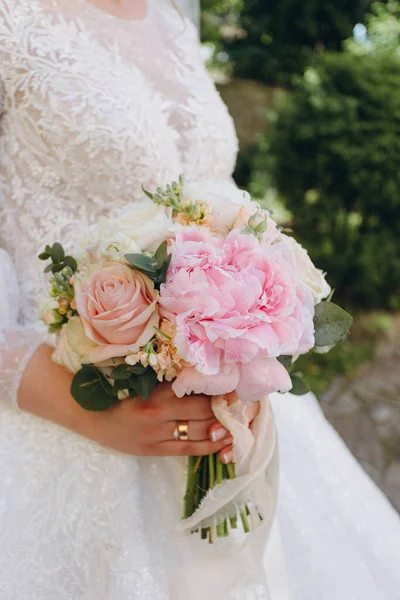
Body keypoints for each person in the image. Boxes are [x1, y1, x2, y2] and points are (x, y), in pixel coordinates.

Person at [0, 1, 399, 599]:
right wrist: (75, 402)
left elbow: (212, 196)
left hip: (226, 410)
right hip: (60, 411)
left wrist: (256, 319)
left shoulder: (171, 17)